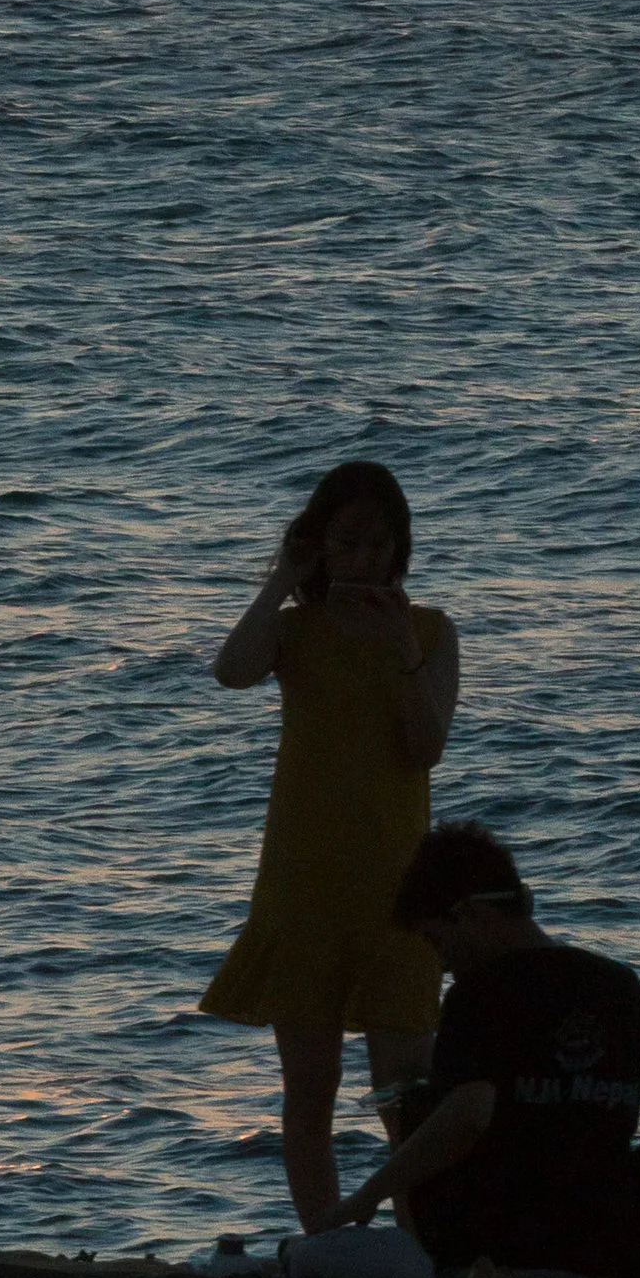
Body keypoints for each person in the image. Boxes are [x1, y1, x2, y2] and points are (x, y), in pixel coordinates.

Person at [200, 461, 461, 1233]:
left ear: (400, 548)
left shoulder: (429, 631)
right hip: (303, 877)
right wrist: (283, 577)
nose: (364, 559)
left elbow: (427, 746)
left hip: (399, 883)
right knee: (308, 1088)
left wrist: (399, 652)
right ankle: (325, 1242)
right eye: (346, 542)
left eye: (380, 544)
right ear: (320, 544)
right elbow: (229, 670)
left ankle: (419, 1241)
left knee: (404, 1093)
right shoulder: (293, 631)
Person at [323, 820, 640, 1278]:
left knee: (417, 1103)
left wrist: (366, 1195)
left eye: (437, 940)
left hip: (503, 1234)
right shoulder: (621, 987)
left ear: (469, 913)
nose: (442, 961)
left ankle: (442, 1263)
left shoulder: (479, 995)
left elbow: (469, 1116)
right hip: (604, 1230)